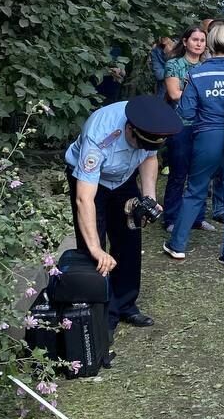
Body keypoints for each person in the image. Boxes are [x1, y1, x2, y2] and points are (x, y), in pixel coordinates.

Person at [64, 95, 181, 330]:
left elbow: (149, 158)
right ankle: (102, 311)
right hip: (90, 182)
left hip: (123, 179)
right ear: (129, 130)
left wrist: (148, 198)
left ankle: (126, 305)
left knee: (129, 238)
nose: (144, 148)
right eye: (140, 143)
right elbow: (83, 199)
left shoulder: (149, 124)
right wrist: (96, 248)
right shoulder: (99, 138)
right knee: (92, 248)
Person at [162, 23, 224, 269]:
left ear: (210, 44)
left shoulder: (199, 73)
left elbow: (186, 111)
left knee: (195, 190)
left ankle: (178, 246)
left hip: (207, 139)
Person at [161, 26, 216, 233]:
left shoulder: (207, 65)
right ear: (185, 42)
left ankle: (197, 217)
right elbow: (174, 94)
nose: (199, 43)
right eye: (195, 39)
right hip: (181, 125)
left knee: (201, 174)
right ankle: (171, 218)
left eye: (202, 40)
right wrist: (201, 93)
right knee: (178, 173)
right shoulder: (174, 65)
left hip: (204, 125)